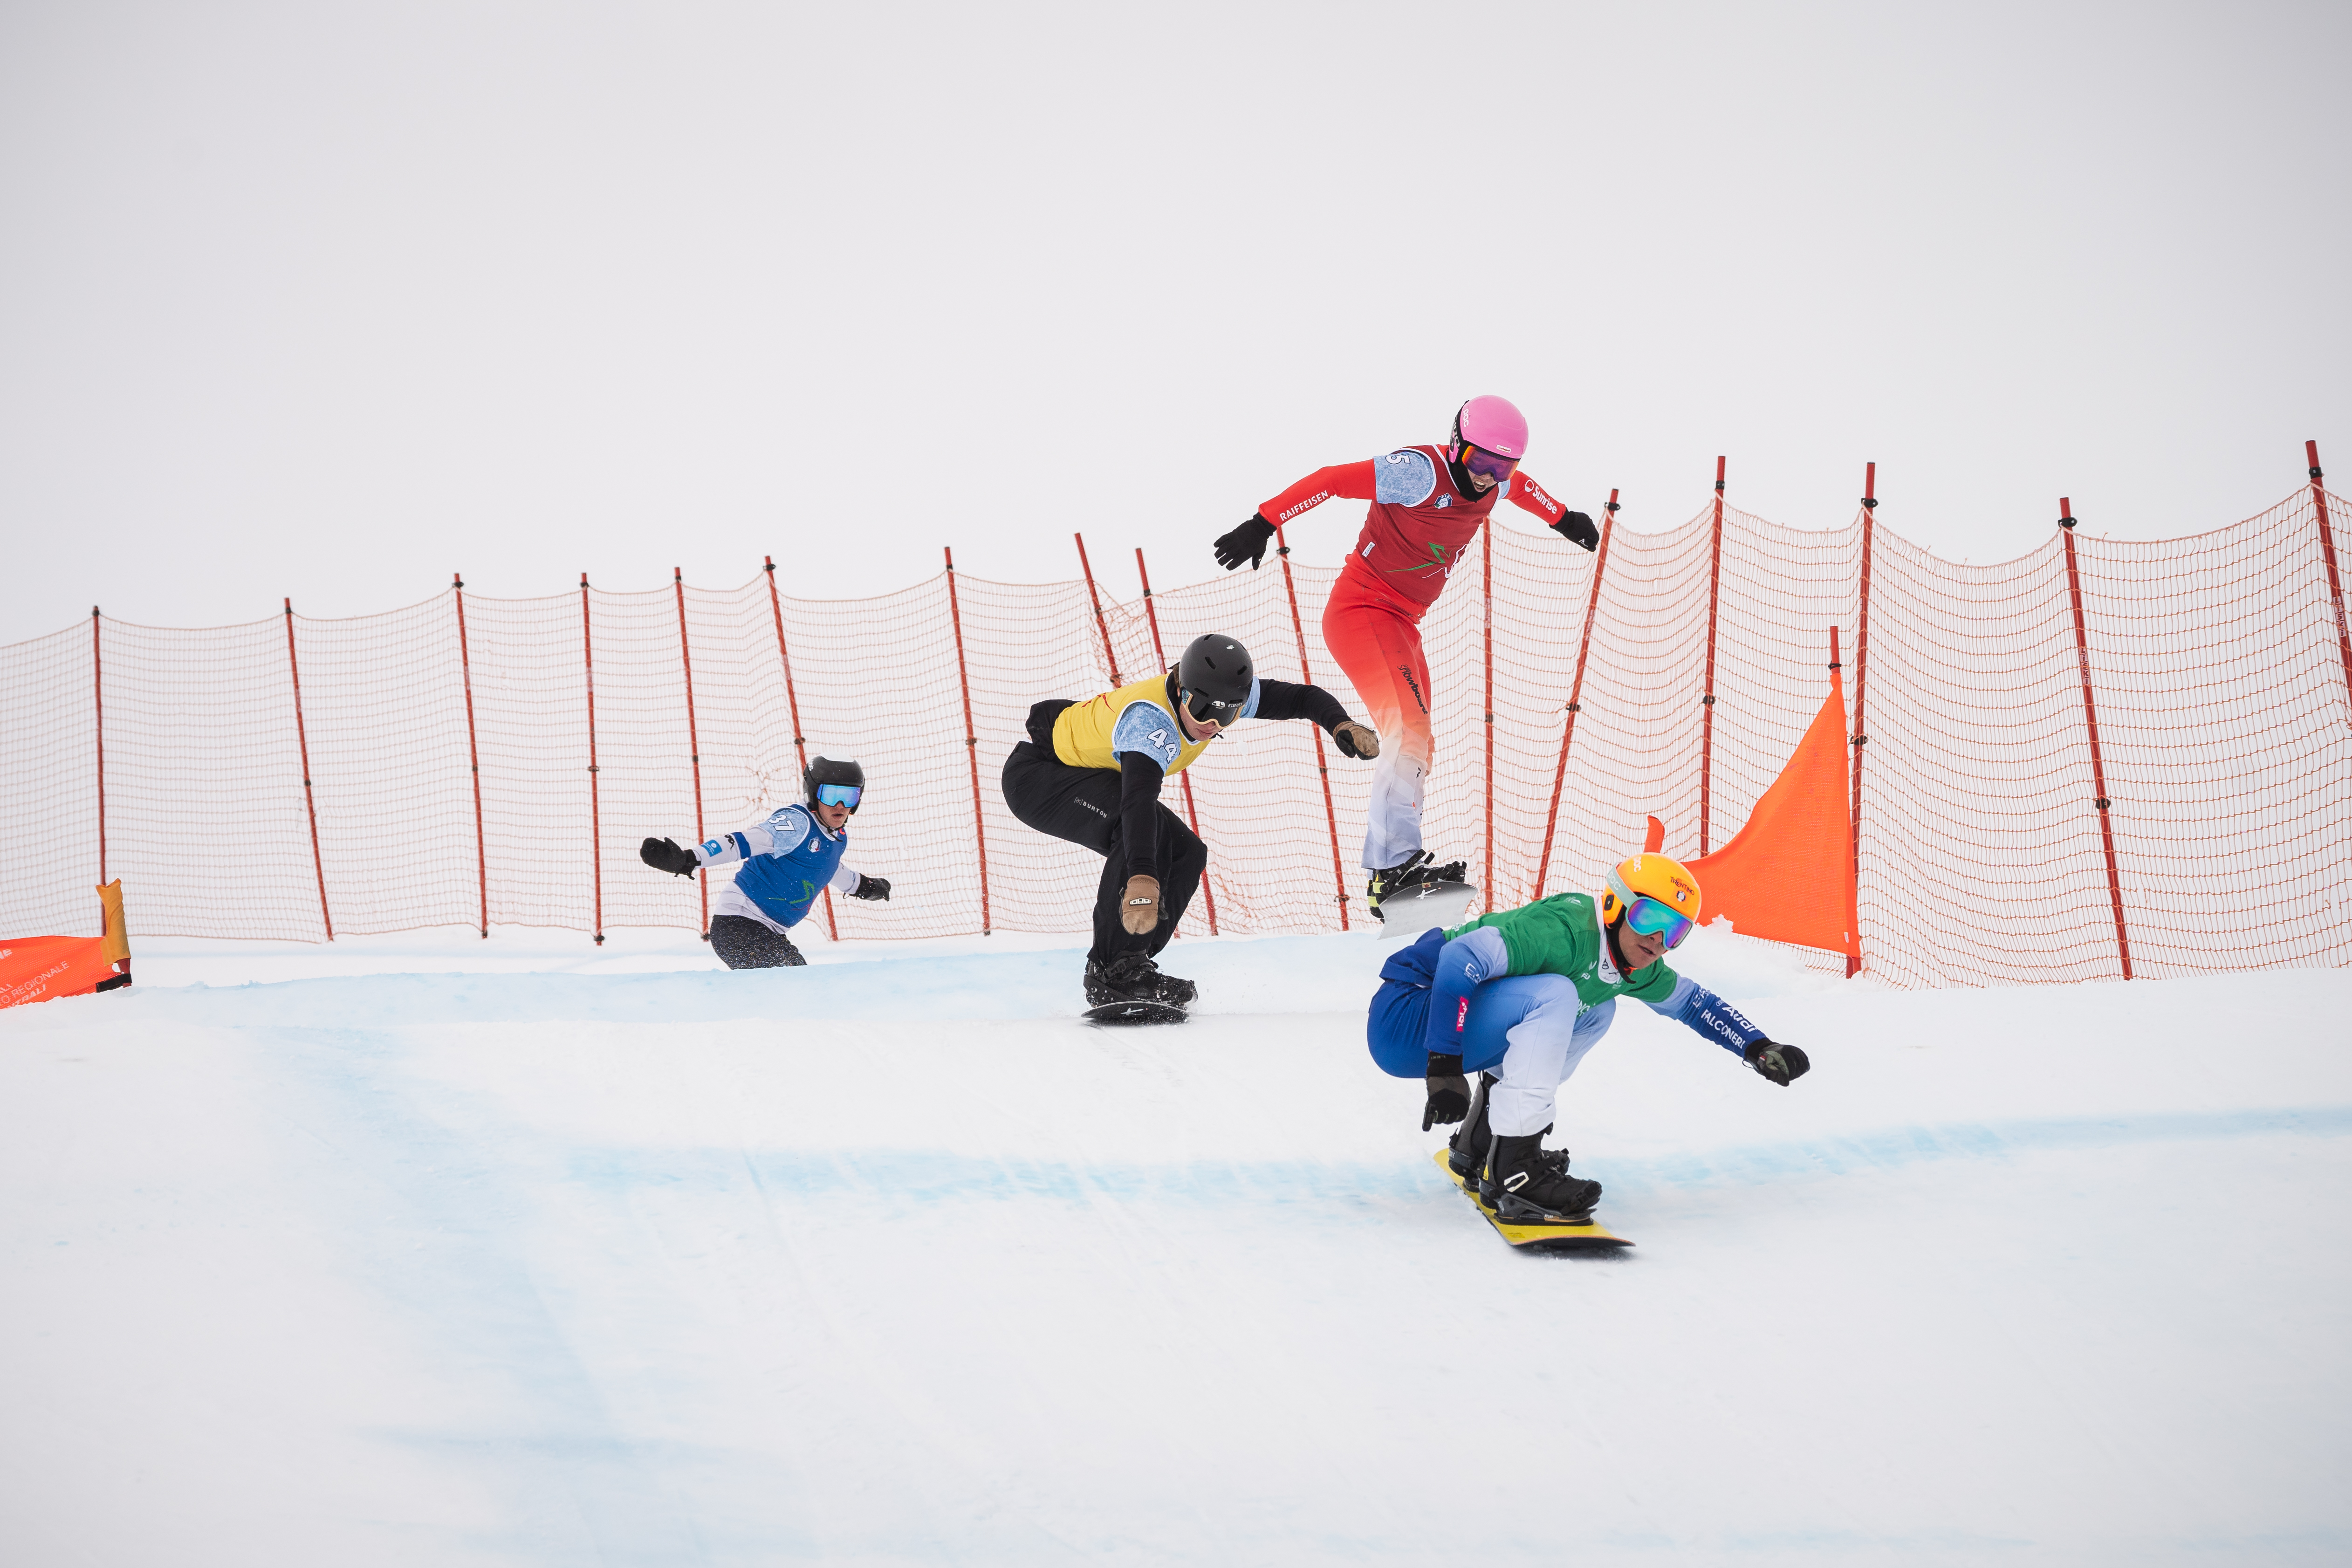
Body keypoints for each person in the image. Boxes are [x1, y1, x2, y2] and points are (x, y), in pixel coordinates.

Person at [1213, 396, 1600, 920]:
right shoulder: (1417, 474)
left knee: (1420, 738)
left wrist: (1562, 517)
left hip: (1401, 623)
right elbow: (1330, 479)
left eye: (1501, 466)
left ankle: (1397, 867)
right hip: (1361, 610)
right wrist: (1263, 522)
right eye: (1479, 462)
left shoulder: (1499, 478)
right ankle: (1392, 870)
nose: (1488, 478)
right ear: (1457, 444)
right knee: (1406, 726)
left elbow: (1524, 488)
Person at [1365, 849, 1811, 1222]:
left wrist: (1757, 1046)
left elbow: (1694, 1004)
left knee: (1596, 1009)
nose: (1658, 939)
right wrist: (1442, 1064)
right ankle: (1514, 1170)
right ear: (1616, 904)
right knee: (1557, 993)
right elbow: (1458, 958)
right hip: (1407, 1015)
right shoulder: (1566, 929)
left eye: (1674, 930)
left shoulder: (1635, 965)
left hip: (1446, 1025)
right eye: (1649, 916)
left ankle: (1482, 1144)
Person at [1003, 633, 1378, 1009]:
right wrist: (1142, 878)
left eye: (1228, 713)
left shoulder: (1221, 696)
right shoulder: (1150, 722)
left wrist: (1339, 725)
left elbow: (1301, 698)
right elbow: (1137, 804)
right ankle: (1112, 972)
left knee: (1186, 852)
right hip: (1037, 778)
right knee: (1138, 833)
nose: (1213, 722)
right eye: (1201, 709)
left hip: (1080, 772)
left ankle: (1133, 963)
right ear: (1182, 690)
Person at [638, 756, 891, 969]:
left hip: (767, 931)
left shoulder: (836, 837)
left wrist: (864, 887)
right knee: (798, 986)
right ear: (814, 793)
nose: (841, 805)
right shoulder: (796, 824)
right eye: (832, 794)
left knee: (791, 989)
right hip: (739, 924)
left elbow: (828, 868)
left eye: (850, 796)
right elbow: (740, 843)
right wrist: (690, 860)